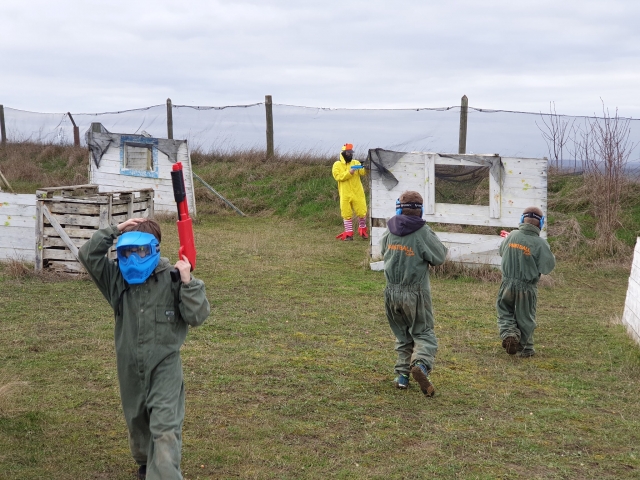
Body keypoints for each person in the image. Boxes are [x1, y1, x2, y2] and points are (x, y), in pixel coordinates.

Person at [78, 218, 210, 480]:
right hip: (129, 367)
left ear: (155, 249)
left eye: (141, 251)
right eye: (126, 252)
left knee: (164, 427)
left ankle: (163, 473)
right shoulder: (117, 281)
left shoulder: (172, 278)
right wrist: (116, 230)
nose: (133, 259)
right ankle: (144, 464)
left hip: (165, 366)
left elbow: (197, 316)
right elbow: (87, 254)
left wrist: (188, 281)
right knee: (137, 420)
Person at [379, 191, 448, 397]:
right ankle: (421, 365)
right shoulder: (423, 232)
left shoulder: (389, 231)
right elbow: (439, 256)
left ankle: (402, 377)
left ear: (398, 207)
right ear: (421, 209)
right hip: (415, 293)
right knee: (424, 333)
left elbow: (384, 251)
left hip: (391, 292)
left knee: (402, 334)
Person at [497, 206, 555, 358]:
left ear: (522, 220)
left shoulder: (511, 236)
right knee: (526, 317)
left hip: (506, 284)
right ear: (540, 223)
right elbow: (547, 267)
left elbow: (501, 251)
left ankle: (509, 334)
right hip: (527, 287)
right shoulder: (540, 243)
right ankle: (526, 348)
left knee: (505, 311)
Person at [332, 143, 368, 240]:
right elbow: (338, 176)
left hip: (357, 192)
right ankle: (349, 234)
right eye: (348, 153)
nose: (350, 154)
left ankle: (363, 230)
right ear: (343, 153)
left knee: (362, 211)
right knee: (346, 213)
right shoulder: (337, 164)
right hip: (345, 193)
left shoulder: (355, 162)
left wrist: (366, 167)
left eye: (351, 153)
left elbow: (363, 172)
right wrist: (349, 173)